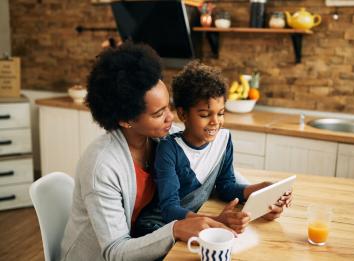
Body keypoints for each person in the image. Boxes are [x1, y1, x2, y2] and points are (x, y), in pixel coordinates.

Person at [60, 43, 232, 261]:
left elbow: (207, 159)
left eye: (169, 107)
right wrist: (176, 229)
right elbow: (115, 251)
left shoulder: (162, 138)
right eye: (159, 113)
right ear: (127, 120)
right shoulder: (102, 167)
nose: (171, 117)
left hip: (145, 244)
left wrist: (255, 196)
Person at [153, 61, 293, 234]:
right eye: (204, 114)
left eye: (220, 113)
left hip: (199, 224)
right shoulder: (169, 149)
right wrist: (216, 220)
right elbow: (169, 209)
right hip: (163, 228)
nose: (215, 122)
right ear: (183, 114)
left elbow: (225, 187)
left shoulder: (223, 140)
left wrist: (261, 189)